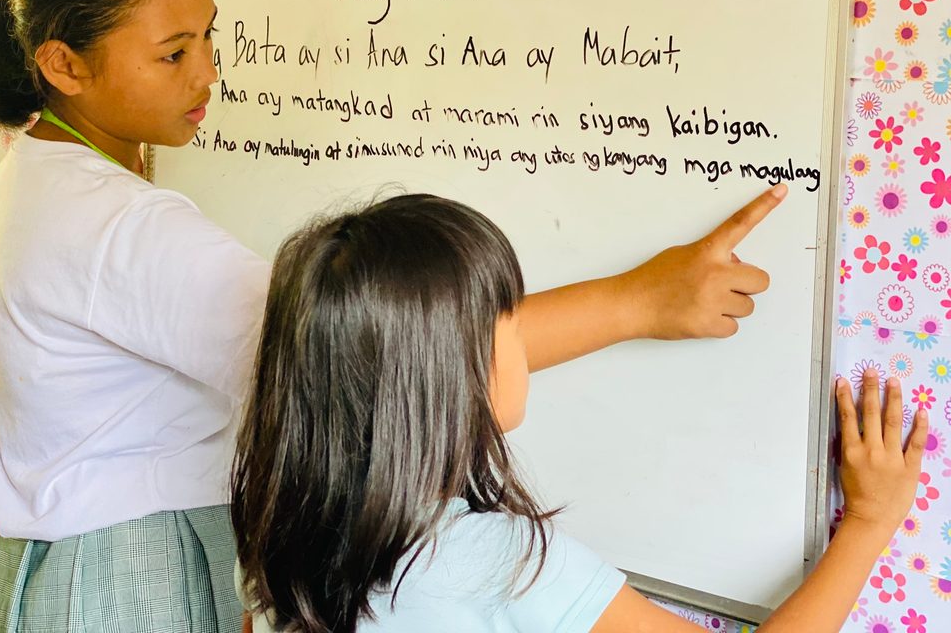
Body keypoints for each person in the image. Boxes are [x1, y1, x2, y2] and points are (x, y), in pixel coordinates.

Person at [0, 0, 784, 632]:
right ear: (62, 64)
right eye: (171, 54)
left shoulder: (34, 180)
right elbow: (375, 356)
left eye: (210, 36)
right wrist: (641, 301)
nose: (208, 72)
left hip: (65, 576)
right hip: (127, 585)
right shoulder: (115, 228)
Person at [231, 194, 926, 633]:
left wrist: (641, 300)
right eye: (508, 317)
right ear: (453, 373)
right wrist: (868, 522)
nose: (524, 334)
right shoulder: (491, 561)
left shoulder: (285, 527)